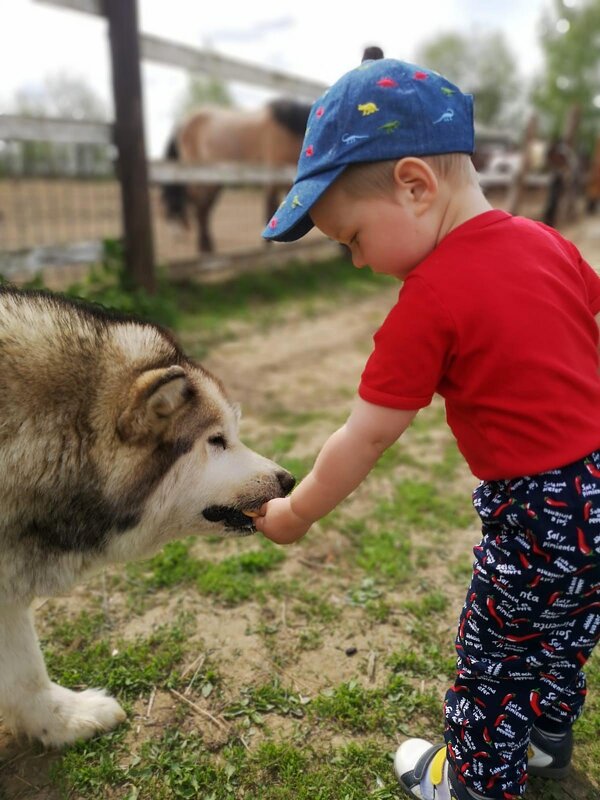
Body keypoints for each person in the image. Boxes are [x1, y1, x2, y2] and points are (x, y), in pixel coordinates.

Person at [256, 57, 600, 800]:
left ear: (415, 186)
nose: (356, 261)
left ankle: (476, 780)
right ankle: (544, 738)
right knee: (567, 625)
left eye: (351, 237)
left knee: (495, 652)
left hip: (535, 510)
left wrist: (294, 512)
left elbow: (365, 437)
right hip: (599, 485)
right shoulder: (549, 244)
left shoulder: (432, 298)